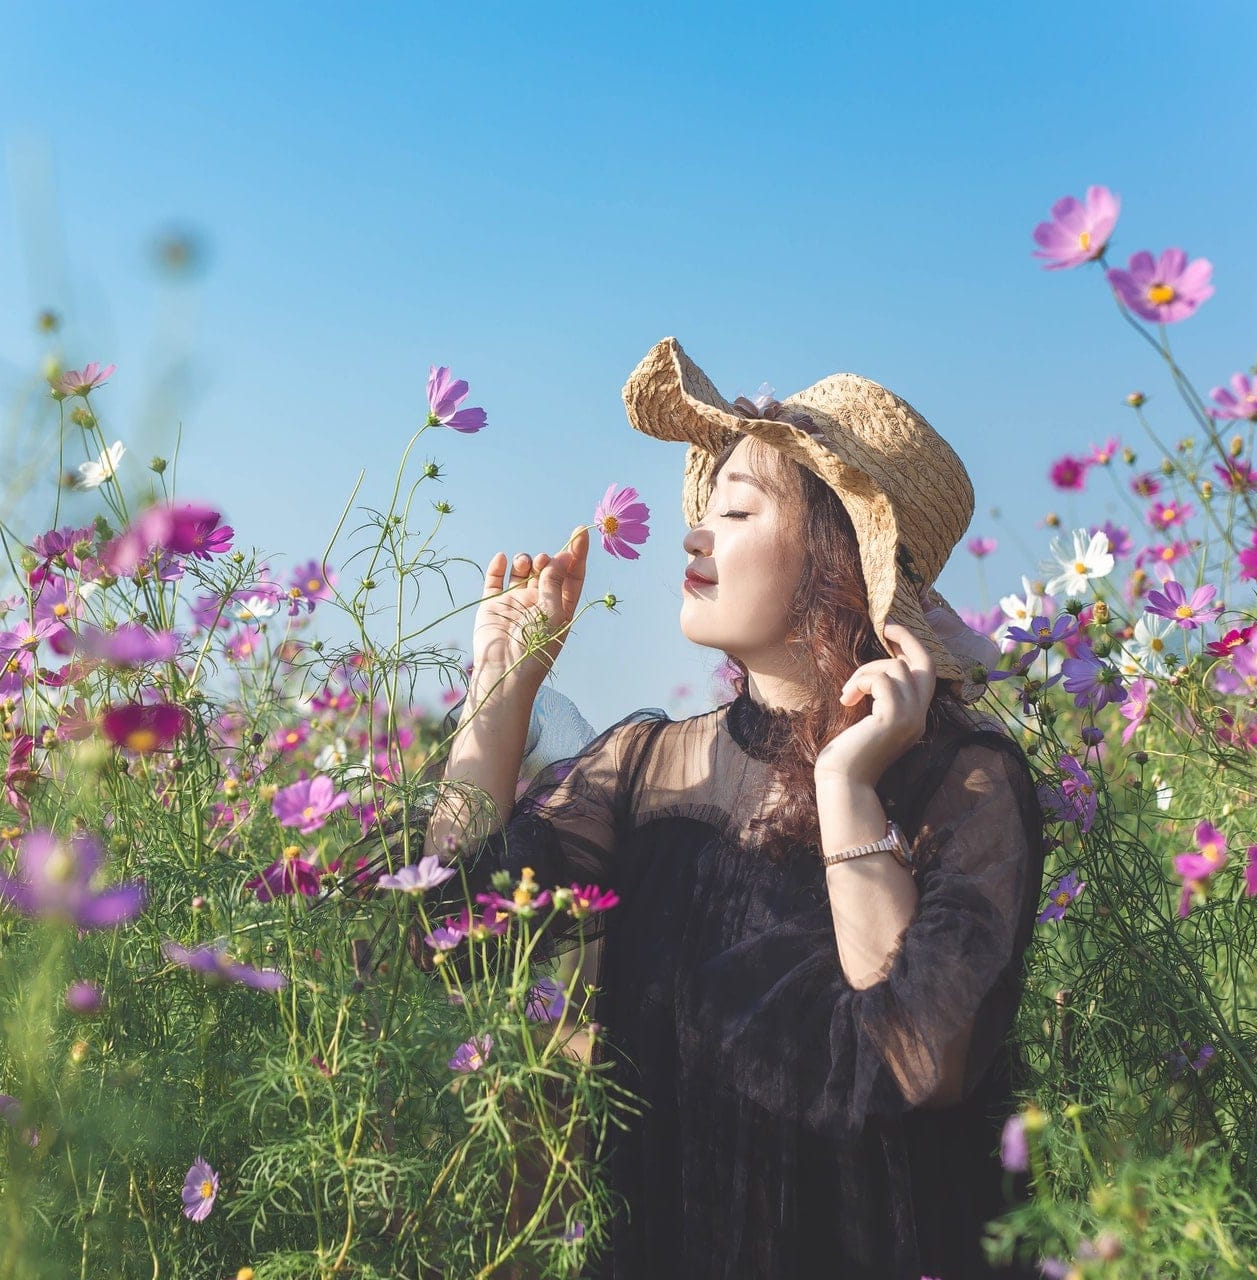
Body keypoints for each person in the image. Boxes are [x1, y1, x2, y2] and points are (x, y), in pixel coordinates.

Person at [357, 337, 1049, 1279]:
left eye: (736, 508)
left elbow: (916, 1061)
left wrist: (845, 789)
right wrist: (501, 686)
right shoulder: (648, 770)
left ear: (842, 551)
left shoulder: (962, 783)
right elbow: (445, 924)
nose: (695, 534)